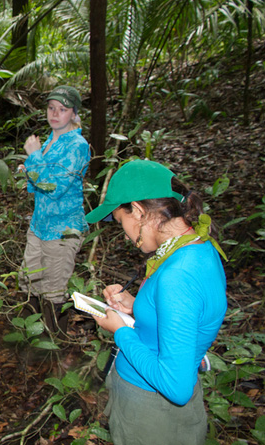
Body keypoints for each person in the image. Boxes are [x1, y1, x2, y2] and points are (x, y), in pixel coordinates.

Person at [85, 159, 227, 445]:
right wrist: (135, 306)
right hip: (148, 406)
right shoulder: (195, 247)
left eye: (118, 219)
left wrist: (121, 331)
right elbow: (182, 321)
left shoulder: (178, 275)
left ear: (136, 210)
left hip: (153, 417)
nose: (123, 232)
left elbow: (176, 387)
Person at [17, 85, 90, 336]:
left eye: (63, 109)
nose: (55, 114)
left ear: (74, 113)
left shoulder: (77, 145)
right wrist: (29, 169)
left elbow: (54, 186)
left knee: (53, 289)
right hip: (39, 225)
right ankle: (30, 338)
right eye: (51, 108)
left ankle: (51, 348)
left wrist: (34, 157)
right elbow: (40, 183)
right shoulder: (50, 139)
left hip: (62, 229)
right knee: (29, 281)